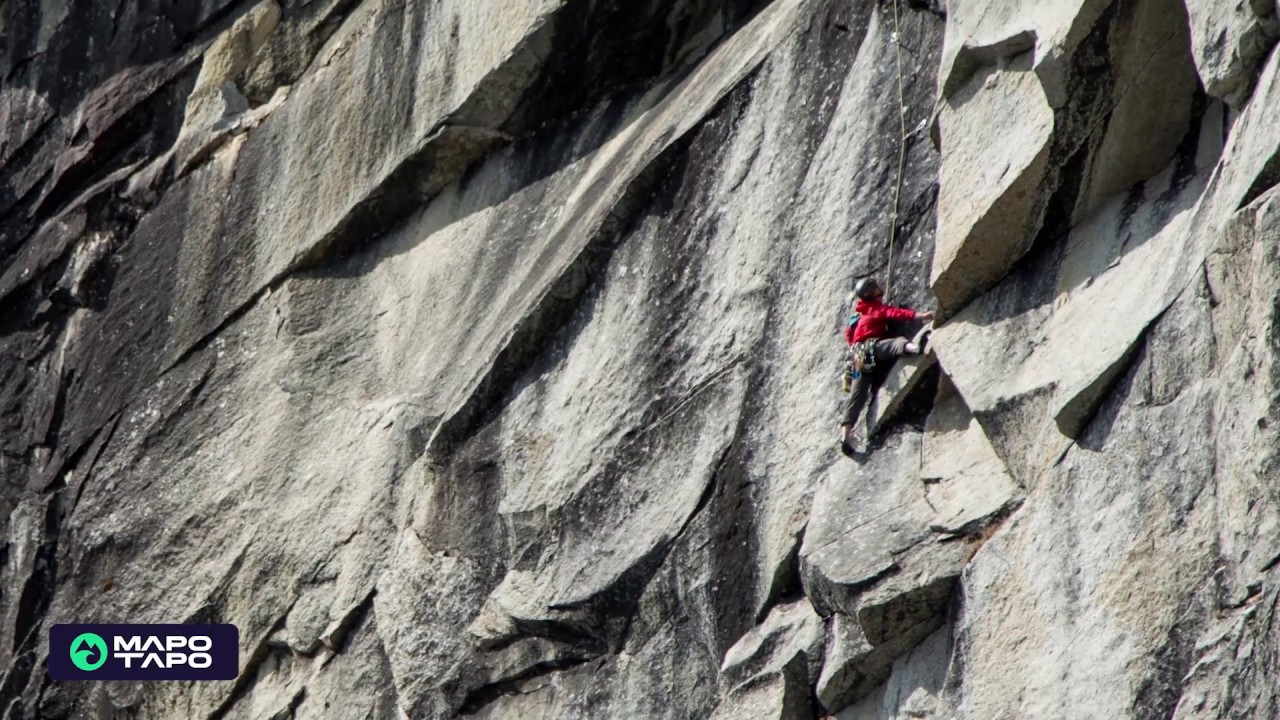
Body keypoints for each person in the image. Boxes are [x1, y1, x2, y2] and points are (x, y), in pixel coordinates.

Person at [839, 277, 934, 458]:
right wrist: (921, 315)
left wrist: (853, 345)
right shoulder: (874, 308)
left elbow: (848, 334)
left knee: (857, 396)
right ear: (871, 292)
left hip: (858, 355)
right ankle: (916, 348)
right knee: (896, 343)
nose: (879, 288)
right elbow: (894, 313)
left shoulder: (858, 316)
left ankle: (845, 437)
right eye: (875, 287)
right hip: (871, 347)